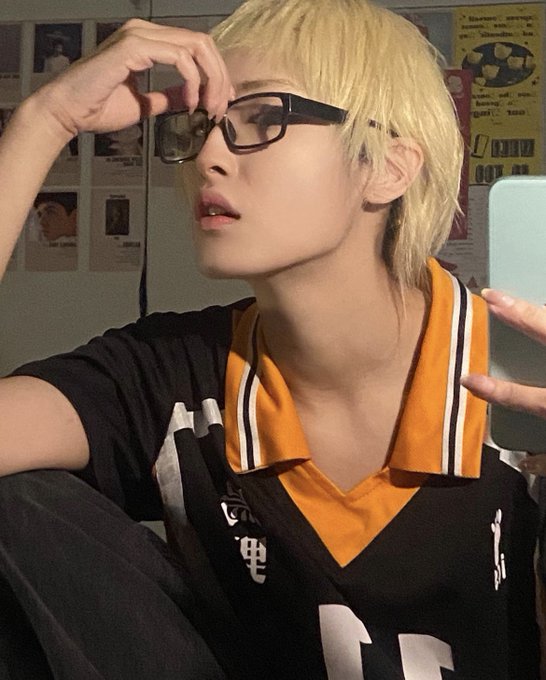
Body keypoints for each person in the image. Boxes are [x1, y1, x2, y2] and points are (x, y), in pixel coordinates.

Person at [0, 1, 545, 678]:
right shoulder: (175, 376)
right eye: (201, 124)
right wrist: (44, 120)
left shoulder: (518, 375)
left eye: (263, 117)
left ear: (388, 166)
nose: (208, 156)